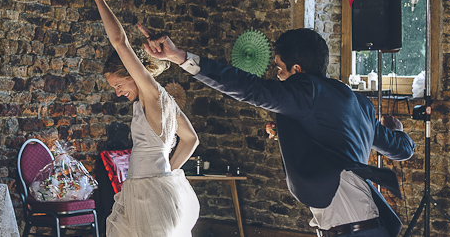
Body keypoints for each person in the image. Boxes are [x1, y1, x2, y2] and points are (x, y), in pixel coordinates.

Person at [139, 26, 415, 237]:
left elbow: (250, 89)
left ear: (297, 70)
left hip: (354, 226)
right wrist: (397, 130)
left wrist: (181, 57)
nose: (278, 78)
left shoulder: (306, 90)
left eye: (280, 70)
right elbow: (401, 148)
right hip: (359, 217)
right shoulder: (355, 100)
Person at [84, 0, 200, 237]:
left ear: (131, 73)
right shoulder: (163, 102)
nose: (117, 93)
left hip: (149, 196)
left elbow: (119, 42)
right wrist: (167, 173)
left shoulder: (152, 93)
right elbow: (191, 138)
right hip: (149, 190)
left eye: (118, 85)